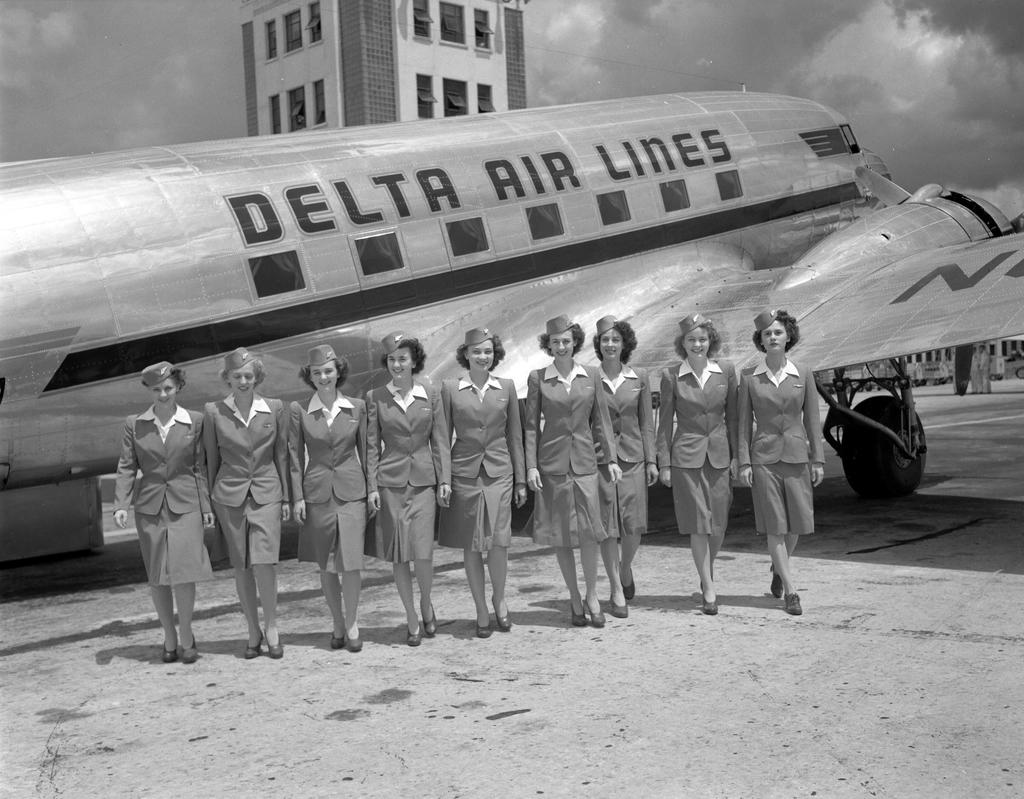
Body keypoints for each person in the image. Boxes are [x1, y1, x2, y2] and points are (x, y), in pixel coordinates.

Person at [113, 361, 215, 664]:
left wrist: (206, 505)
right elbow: (127, 466)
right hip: (151, 507)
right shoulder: (135, 423)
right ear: (149, 390)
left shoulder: (194, 421)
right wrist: (121, 503)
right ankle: (168, 636)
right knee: (158, 576)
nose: (162, 394)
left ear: (178, 387)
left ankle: (186, 634)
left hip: (187, 505)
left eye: (168, 388)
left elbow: (199, 468)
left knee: (184, 572)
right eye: (156, 389)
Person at [525, 315, 620, 628]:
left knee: (590, 533)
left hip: (585, 463)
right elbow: (530, 427)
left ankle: (593, 595)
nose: (561, 347)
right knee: (563, 537)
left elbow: (602, 420)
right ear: (548, 345)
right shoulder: (538, 378)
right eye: (555, 342)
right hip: (552, 465)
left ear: (575, 343)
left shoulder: (590, 375)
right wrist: (531, 466)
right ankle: (574, 596)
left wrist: (612, 458)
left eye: (566, 341)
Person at [438, 328, 527, 638]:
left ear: (495, 354)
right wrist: (444, 479)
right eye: (476, 351)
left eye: (488, 351)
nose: (482, 356)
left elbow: (515, 435)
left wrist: (520, 479)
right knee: (472, 545)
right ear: (466, 354)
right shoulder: (450, 389)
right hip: (464, 475)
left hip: (500, 472)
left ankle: (500, 599)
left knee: (499, 542)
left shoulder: (506, 387)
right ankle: (480, 609)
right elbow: (441, 436)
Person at [365, 332, 451, 646]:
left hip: (425, 482)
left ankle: (426, 603)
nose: (397, 364)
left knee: (424, 554)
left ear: (413, 361)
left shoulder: (431, 392)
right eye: (391, 359)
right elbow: (372, 445)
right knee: (400, 556)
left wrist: (445, 480)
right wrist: (372, 486)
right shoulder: (375, 397)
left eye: (403, 358)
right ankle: (411, 616)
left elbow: (440, 440)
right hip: (391, 484)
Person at [204, 347, 290, 658]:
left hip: (267, 492)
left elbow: (282, 455)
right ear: (227, 378)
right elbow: (210, 461)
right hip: (229, 495)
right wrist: (211, 502)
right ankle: (252, 630)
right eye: (237, 376)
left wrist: (288, 497)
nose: (243, 381)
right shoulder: (214, 412)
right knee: (241, 565)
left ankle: (272, 626)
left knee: (265, 562)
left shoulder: (275, 408)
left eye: (248, 376)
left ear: (257, 378)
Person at [738, 309, 824, 616]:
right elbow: (742, 423)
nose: (772, 337)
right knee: (775, 525)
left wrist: (818, 459)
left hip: (797, 455)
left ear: (788, 336)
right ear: (760, 341)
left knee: (798, 524)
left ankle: (778, 567)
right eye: (766, 334)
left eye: (777, 332)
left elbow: (813, 419)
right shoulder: (749, 377)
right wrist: (744, 462)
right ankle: (791, 590)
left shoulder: (803, 373)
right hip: (764, 457)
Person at [289, 344, 368, 654]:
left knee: (351, 564)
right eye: (317, 372)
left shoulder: (357, 407)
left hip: (352, 493)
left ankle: (352, 623)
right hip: (317, 494)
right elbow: (294, 458)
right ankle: (336, 622)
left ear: (339, 372)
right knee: (327, 566)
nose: (323, 376)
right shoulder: (298, 411)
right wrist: (297, 497)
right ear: (309, 376)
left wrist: (371, 489)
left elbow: (367, 451)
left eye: (328, 371)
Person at [657, 314, 738, 615]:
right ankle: (708, 587)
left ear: (710, 341)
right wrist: (664, 462)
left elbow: (734, 417)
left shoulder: (726, 371)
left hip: (718, 454)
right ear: (682, 345)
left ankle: (708, 571)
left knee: (718, 524)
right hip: (686, 456)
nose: (697, 344)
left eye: (702, 339)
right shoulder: (671, 376)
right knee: (697, 525)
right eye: (691, 340)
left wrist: (736, 457)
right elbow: (664, 423)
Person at [592, 316, 657, 617]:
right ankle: (616, 588)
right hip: (600, 460)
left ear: (624, 344)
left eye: (615, 340)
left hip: (633, 458)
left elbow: (647, 423)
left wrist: (652, 459)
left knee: (633, 527)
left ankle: (624, 567)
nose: (610, 344)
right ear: (599, 344)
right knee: (607, 528)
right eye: (605, 340)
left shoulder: (639, 377)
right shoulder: (590, 378)